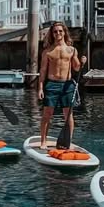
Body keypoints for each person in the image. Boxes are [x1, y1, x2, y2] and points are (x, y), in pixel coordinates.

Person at [38, 21, 87, 149]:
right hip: (52, 85)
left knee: (68, 114)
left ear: (64, 32)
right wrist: (41, 88)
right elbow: (42, 71)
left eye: (60, 31)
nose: (58, 33)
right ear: (52, 34)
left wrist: (82, 62)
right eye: (55, 31)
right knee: (47, 114)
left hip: (67, 85)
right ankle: (43, 141)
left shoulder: (72, 50)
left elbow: (76, 68)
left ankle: (68, 141)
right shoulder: (47, 51)